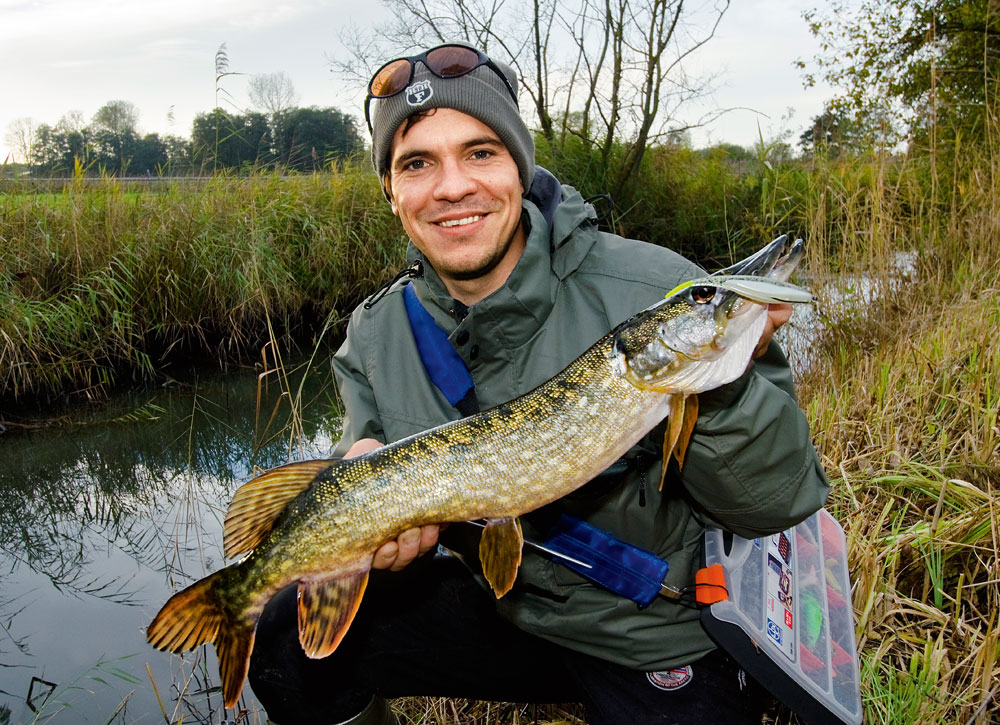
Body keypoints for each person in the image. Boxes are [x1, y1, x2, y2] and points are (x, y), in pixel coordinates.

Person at [248, 42, 829, 724]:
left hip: (647, 627)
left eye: (481, 152)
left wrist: (718, 382)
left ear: (520, 167)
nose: (452, 186)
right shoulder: (375, 338)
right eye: (416, 163)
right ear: (392, 190)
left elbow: (778, 502)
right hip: (501, 606)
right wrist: (375, 539)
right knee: (286, 640)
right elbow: (363, 464)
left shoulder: (653, 286)